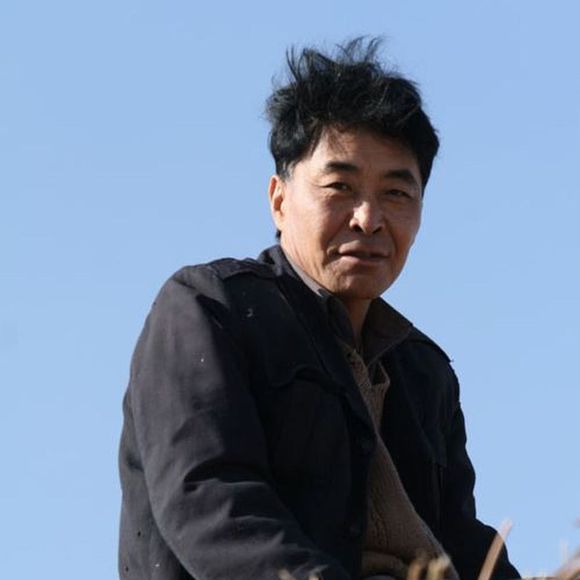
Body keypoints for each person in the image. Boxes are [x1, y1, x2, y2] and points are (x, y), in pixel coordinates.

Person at [118, 38, 520, 580]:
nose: (368, 218)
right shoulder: (211, 309)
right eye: (340, 186)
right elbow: (213, 502)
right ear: (279, 199)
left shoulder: (424, 373)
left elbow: (465, 545)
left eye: (396, 194)